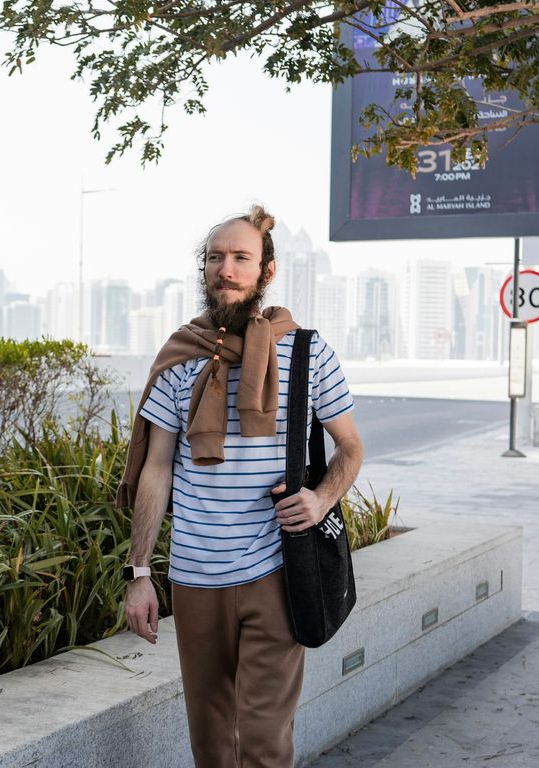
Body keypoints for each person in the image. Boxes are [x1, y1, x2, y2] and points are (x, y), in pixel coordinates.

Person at [115, 205, 364, 768]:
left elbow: (351, 448)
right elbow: (157, 467)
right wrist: (139, 573)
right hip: (194, 578)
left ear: (266, 270)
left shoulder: (306, 352)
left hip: (275, 573)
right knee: (210, 746)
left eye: (240, 258)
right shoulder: (180, 358)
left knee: (263, 742)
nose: (225, 269)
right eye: (215, 257)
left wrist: (321, 498)